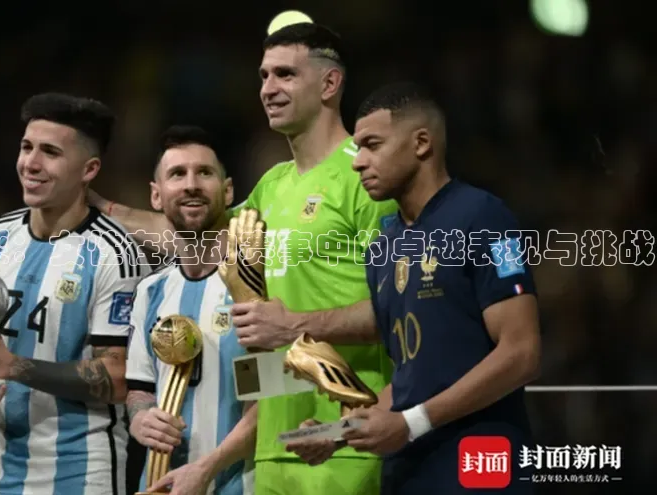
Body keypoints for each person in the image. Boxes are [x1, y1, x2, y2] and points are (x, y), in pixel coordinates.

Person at [91, 21, 398, 495]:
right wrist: (95, 205)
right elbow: (192, 234)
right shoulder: (273, 185)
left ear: (329, 83)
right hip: (274, 449)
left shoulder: (366, 175)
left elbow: (400, 309)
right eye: (263, 76)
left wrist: (294, 326)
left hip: (346, 438)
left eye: (285, 75)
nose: (268, 89)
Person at [278, 81, 541, 493]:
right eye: (358, 148)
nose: (358, 162)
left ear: (421, 143)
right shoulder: (383, 248)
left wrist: (412, 423)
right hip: (407, 475)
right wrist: (340, 431)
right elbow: (411, 376)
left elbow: (521, 352)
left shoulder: (484, 218)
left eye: (372, 145)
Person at [0, 93, 149, 495]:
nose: (30, 163)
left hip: (80, 471)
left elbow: (118, 378)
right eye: (26, 147)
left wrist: (12, 366)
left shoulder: (115, 254)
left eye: (50, 152)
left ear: (89, 169)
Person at [124, 125, 256, 494]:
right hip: (162, 484)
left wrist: (207, 468)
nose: (191, 185)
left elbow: (271, 401)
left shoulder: (256, 288)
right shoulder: (150, 292)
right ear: (156, 195)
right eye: (177, 174)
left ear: (227, 191)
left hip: (241, 485)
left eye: (204, 173)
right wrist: (140, 419)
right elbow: (140, 388)